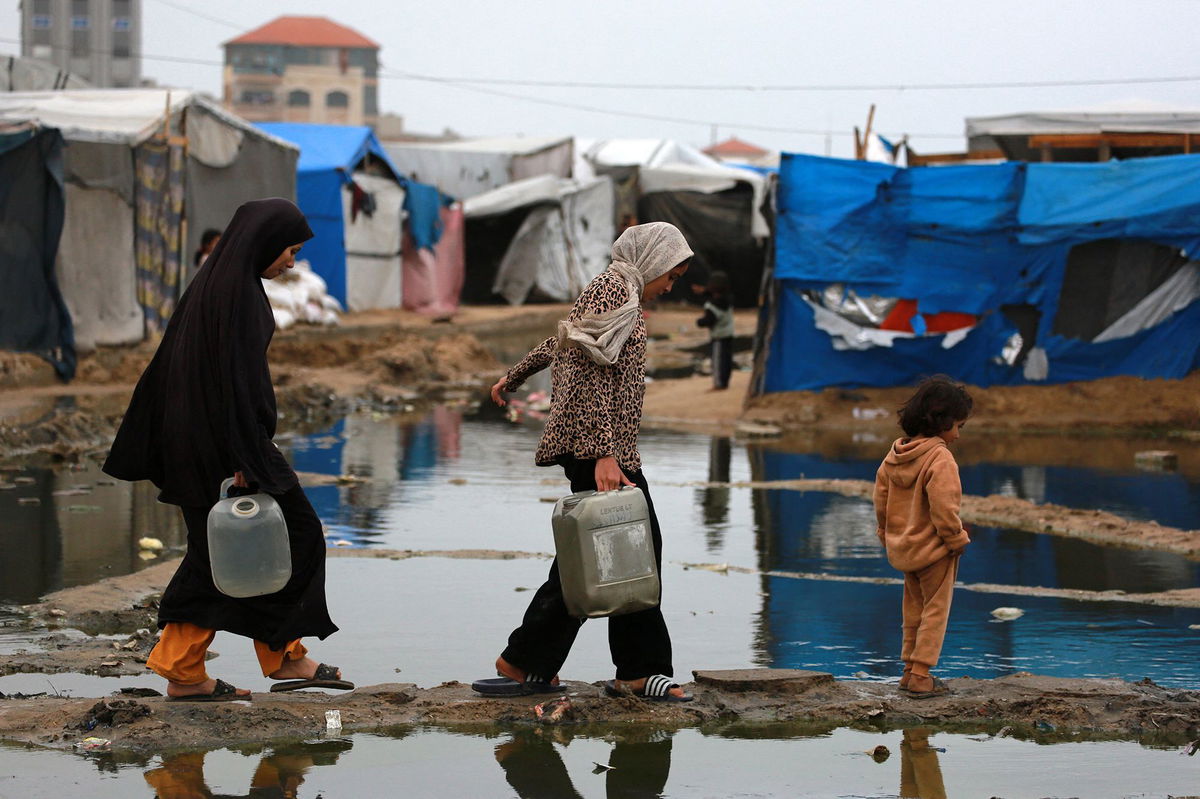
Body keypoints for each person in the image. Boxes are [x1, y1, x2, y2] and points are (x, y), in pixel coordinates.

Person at [103, 199, 350, 702]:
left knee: (223, 552)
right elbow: (232, 387)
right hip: (223, 444)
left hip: (204, 440)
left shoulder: (221, 285)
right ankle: (261, 660)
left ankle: (215, 665)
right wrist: (243, 459)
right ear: (264, 243)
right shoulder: (234, 294)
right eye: (290, 250)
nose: (292, 262)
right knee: (292, 536)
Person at [477, 221, 694, 702]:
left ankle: (527, 661)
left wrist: (515, 375)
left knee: (591, 560)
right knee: (637, 553)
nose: (669, 286)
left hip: (604, 446)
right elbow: (587, 369)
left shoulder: (618, 289)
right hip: (598, 448)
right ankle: (638, 671)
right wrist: (604, 454)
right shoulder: (613, 289)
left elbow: (566, 344)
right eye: (671, 276)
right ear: (652, 260)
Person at [873, 375, 972, 699]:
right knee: (935, 611)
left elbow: (881, 503)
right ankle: (921, 675)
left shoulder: (893, 456)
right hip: (933, 550)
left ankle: (906, 671)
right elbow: (945, 508)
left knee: (912, 610)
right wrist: (956, 539)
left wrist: (885, 534)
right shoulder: (939, 458)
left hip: (903, 549)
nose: (957, 434)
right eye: (957, 425)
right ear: (941, 422)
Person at [693, 270, 735, 390]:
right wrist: (703, 291)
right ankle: (724, 382)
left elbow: (708, 321)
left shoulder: (713, 306)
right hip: (728, 334)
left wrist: (699, 322)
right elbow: (713, 295)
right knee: (726, 361)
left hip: (718, 337)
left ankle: (718, 384)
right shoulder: (728, 298)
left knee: (718, 361)